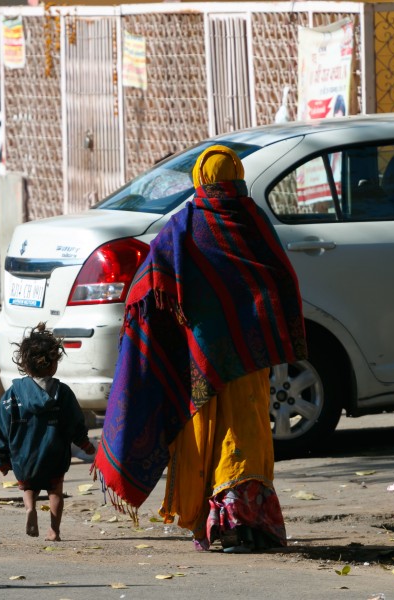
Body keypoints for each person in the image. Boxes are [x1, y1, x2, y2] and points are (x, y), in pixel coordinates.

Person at [92, 145, 308, 553]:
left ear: (201, 180)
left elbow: (148, 281)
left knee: (211, 442)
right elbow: (281, 280)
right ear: (236, 175)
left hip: (202, 365)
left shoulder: (185, 226)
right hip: (249, 362)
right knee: (248, 437)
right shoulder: (255, 222)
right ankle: (252, 526)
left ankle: (224, 528)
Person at [0, 322, 96, 541]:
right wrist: (84, 443)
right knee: (55, 490)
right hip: (54, 453)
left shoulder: (12, 394)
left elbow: (1, 425)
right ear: (54, 365)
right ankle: (54, 531)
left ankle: (30, 509)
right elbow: (75, 421)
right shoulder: (63, 393)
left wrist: (0, 457)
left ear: (25, 365)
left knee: (29, 486)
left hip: (23, 455)